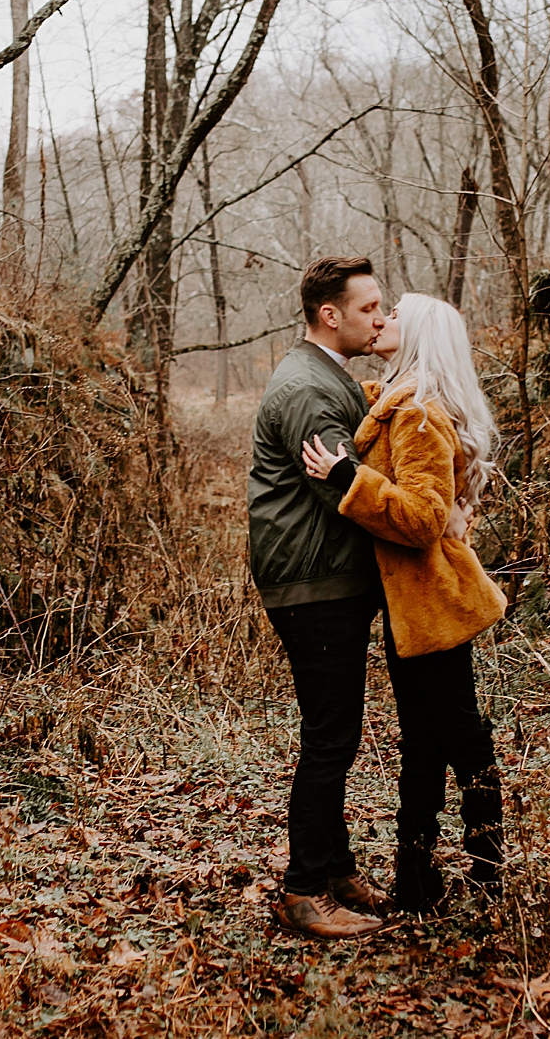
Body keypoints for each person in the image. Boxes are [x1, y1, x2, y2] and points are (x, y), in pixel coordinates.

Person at [302, 292, 507, 912]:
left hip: (431, 603)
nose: (382, 319)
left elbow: (421, 518)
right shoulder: (400, 402)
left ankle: (482, 871)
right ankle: (419, 879)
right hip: (414, 605)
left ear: (416, 335)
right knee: (427, 739)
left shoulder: (418, 415)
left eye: (394, 315)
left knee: (459, 743)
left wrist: (347, 478)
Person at [247, 256, 395, 940]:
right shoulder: (307, 389)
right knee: (329, 738)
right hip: (315, 584)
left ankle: (333, 868)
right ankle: (303, 889)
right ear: (329, 314)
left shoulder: (324, 375)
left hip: (326, 579)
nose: (380, 318)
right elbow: (349, 488)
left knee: (334, 731)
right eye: (369, 308)